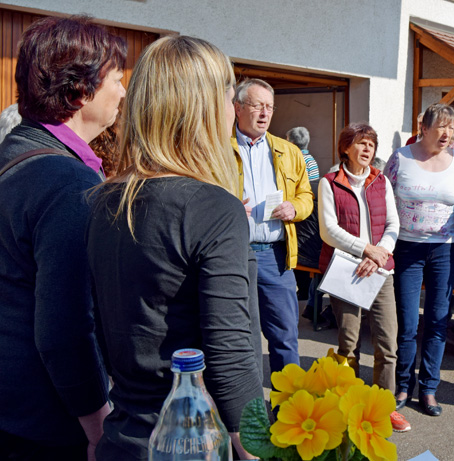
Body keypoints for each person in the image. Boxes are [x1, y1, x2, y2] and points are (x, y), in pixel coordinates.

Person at [87, 36, 263, 460]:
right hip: (193, 442)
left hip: (125, 435)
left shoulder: (103, 201)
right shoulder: (212, 207)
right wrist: (260, 449)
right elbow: (232, 356)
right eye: (230, 95)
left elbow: (88, 331)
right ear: (208, 107)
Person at [0, 16, 125, 460]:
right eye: (116, 78)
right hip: (46, 424)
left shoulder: (16, 152)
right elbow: (64, 328)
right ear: (79, 90)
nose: (123, 91)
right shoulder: (66, 182)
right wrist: (97, 428)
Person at [318, 122, 410, 432]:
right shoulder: (329, 182)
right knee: (349, 343)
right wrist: (366, 250)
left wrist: (380, 253)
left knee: (387, 342)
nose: (367, 149)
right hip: (347, 270)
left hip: (380, 270)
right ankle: (349, 405)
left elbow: (393, 225)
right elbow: (329, 231)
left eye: (371, 143)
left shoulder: (381, 180)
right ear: (345, 148)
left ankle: (383, 408)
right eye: (360, 143)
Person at [385, 103, 454, 417]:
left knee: (437, 321)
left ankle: (430, 389)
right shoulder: (401, 158)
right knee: (407, 323)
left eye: (452, 127)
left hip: (445, 249)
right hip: (407, 247)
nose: (447, 133)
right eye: (441, 127)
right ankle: (403, 385)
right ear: (424, 128)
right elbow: (381, 197)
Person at [232, 79, 314, 378]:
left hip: (276, 257)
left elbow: (306, 196)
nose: (265, 113)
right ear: (238, 108)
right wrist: (225, 208)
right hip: (233, 254)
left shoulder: (288, 151)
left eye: (269, 107)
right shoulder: (217, 148)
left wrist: (294, 208)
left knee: (285, 335)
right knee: (243, 339)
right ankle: (247, 413)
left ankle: (288, 410)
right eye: (257, 106)